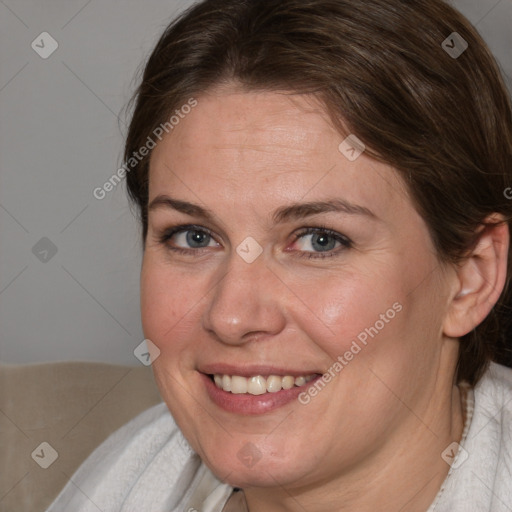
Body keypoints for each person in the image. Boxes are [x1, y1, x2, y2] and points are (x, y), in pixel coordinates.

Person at [46, 0, 512, 510]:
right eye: (194, 237)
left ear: (471, 275)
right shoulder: (114, 484)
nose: (231, 316)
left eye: (319, 240)